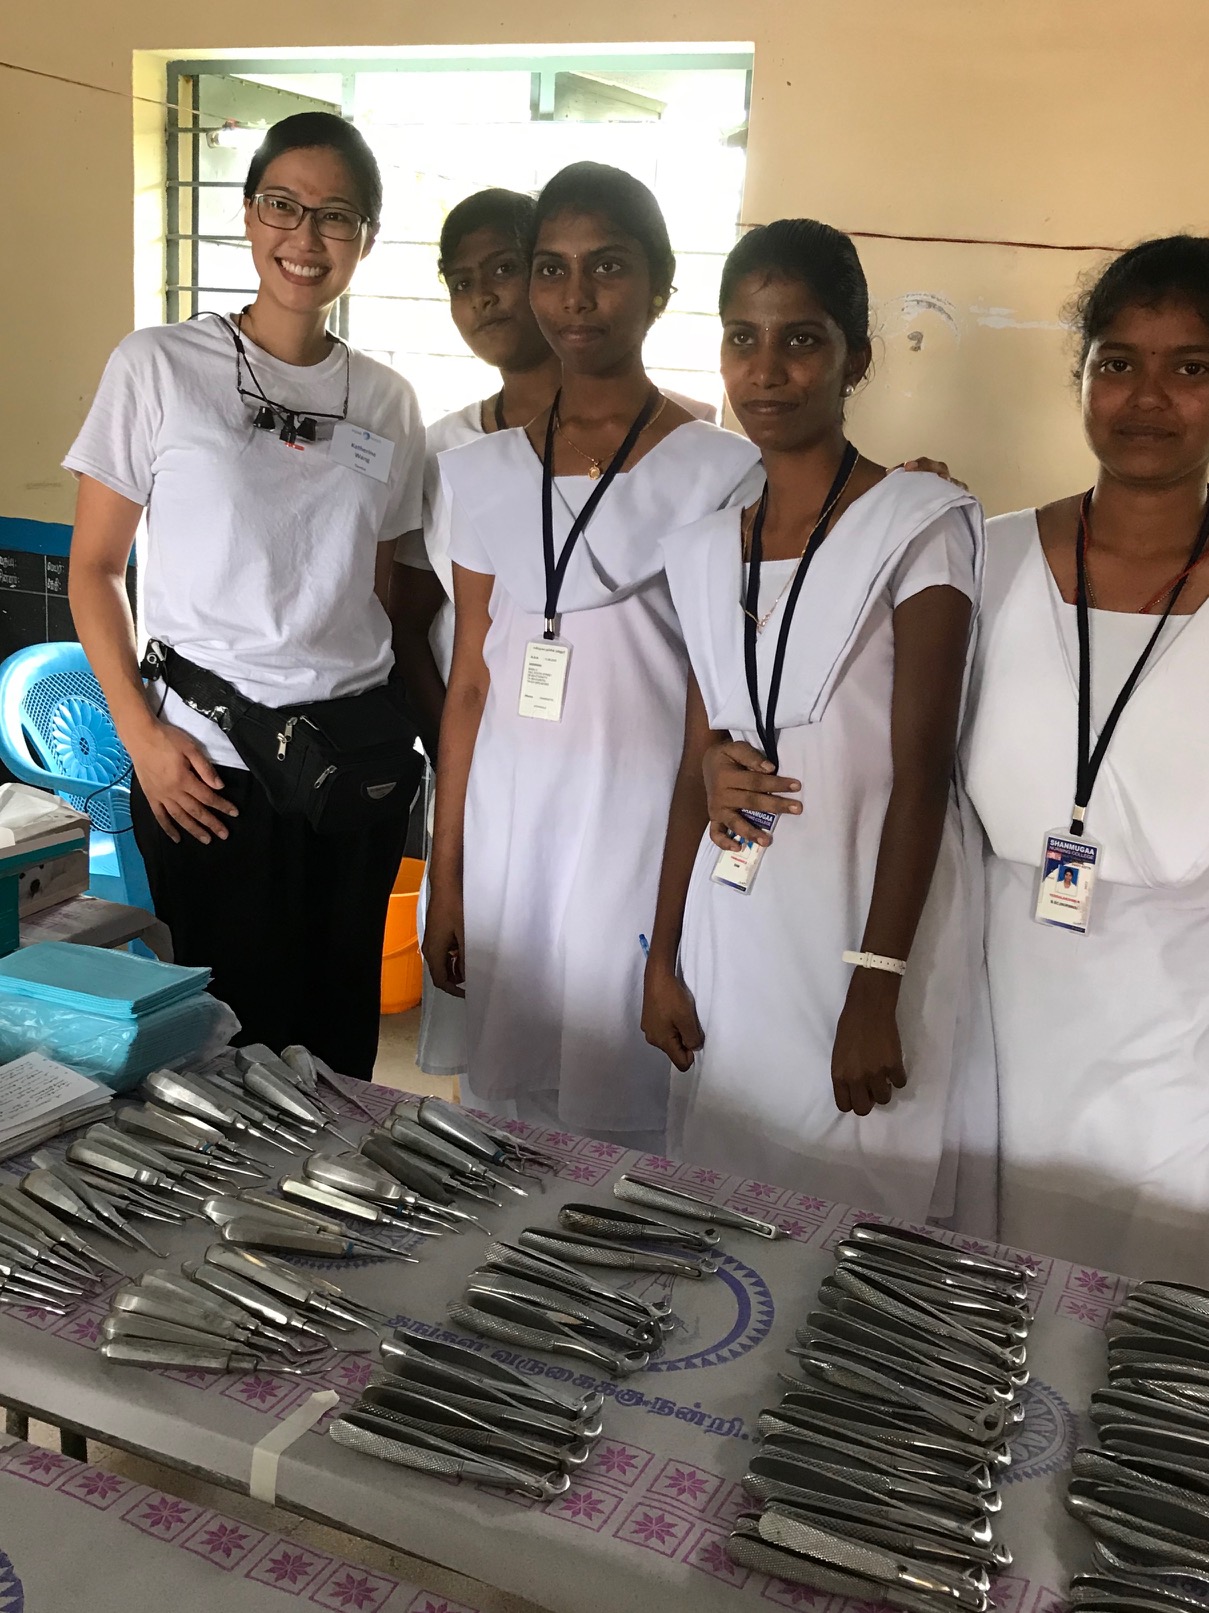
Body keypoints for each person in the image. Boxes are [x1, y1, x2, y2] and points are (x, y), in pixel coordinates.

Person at [641, 220, 994, 1227]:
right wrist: (661, 956)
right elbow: (692, 767)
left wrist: (876, 987)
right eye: (742, 338)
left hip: (862, 926)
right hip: (737, 925)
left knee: (857, 1216)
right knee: (731, 1198)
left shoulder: (916, 522)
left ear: (856, 358)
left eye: (801, 339)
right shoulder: (703, 549)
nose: (767, 370)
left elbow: (923, 773)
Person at [66, 112, 426, 1079]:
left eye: (336, 216)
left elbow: (375, 583)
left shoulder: (388, 400)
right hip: (209, 771)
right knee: (228, 1052)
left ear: (366, 238)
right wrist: (143, 741)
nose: (306, 237)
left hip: (353, 772)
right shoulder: (158, 366)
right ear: (248, 214)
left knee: (338, 1046)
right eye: (283, 205)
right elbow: (93, 569)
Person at [423, 162, 762, 1152]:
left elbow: (712, 703)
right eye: (552, 268)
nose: (576, 296)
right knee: (505, 1116)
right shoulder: (483, 472)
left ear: (659, 285)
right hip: (509, 824)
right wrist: (448, 878)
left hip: (636, 822)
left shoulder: (720, 471)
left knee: (623, 1112)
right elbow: (470, 682)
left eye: (607, 266)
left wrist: (675, 924)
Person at [963, 235, 1209, 1280]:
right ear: (1081, 378)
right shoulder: (985, 557)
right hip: (989, 1003)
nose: (1146, 396)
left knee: (1147, 1311)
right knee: (982, 1290)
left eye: (1189, 366)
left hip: (1179, 1035)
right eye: (1117, 361)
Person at [393, 189, 562, 1082]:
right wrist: (455, 749)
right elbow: (408, 616)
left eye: (503, 268)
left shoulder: (675, 437)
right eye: (461, 281)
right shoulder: (443, 450)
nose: (484, 296)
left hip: (606, 769)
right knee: (494, 1035)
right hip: (480, 768)